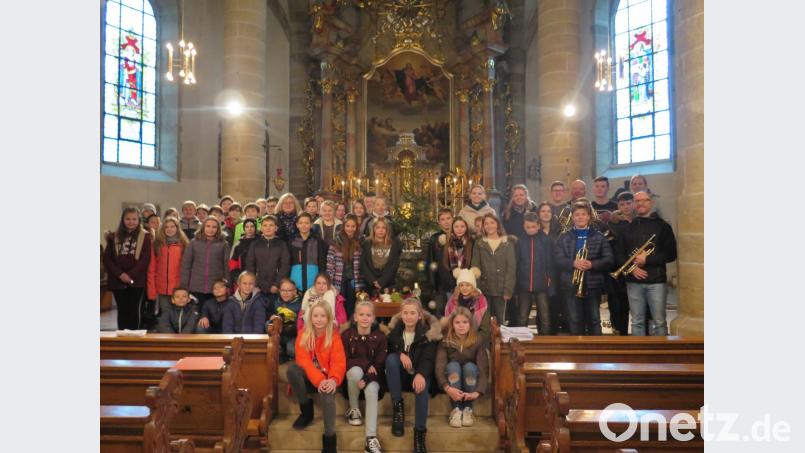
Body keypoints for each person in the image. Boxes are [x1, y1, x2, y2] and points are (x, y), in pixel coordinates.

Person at [286, 300, 346, 453]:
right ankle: (306, 410)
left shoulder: (334, 336)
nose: (319, 319)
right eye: (315, 316)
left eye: (323, 316)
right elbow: (304, 362)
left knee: (328, 395)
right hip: (311, 379)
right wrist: (319, 380)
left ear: (328, 318)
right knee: (292, 370)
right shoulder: (303, 335)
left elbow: (338, 362)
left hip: (329, 379)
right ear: (310, 317)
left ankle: (329, 441)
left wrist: (332, 380)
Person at [384, 298, 442, 452]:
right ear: (401, 315)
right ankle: (398, 410)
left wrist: (421, 374)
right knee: (391, 359)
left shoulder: (427, 334)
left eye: (412, 313)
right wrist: (399, 353)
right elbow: (387, 352)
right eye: (405, 313)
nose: (409, 316)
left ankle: (419, 436)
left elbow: (429, 358)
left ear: (420, 316)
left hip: (419, 373)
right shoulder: (394, 333)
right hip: (400, 378)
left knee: (421, 388)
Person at [621, 191, 677, 336]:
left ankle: (661, 356)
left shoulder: (663, 226)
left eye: (644, 200)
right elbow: (620, 253)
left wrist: (647, 260)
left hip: (656, 281)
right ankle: (638, 356)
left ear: (651, 203)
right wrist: (631, 269)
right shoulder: (627, 227)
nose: (640, 203)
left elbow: (671, 254)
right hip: (634, 280)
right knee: (636, 321)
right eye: (637, 201)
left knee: (659, 322)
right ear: (633, 204)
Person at [554, 201, 614, 335]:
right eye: (577, 215)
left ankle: (596, 352)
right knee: (574, 319)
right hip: (570, 284)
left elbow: (609, 259)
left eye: (583, 214)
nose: (580, 217)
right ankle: (577, 352)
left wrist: (593, 264)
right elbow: (557, 258)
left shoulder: (599, 236)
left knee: (594, 319)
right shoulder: (564, 237)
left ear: (588, 217)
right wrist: (573, 263)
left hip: (593, 284)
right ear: (573, 217)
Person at [341, 301, 388, 453]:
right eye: (361, 314)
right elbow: (345, 361)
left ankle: (371, 438)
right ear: (355, 317)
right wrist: (366, 365)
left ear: (374, 318)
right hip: (352, 379)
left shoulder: (380, 337)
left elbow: (379, 365)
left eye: (368, 315)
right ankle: (354, 409)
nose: (365, 318)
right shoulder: (347, 335)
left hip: (373, 378)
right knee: (355, 371)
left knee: (371, 390)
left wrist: (367, 378)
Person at [435, 307, 489, 429]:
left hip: (470, 375)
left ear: (470, 323)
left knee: (469, 367)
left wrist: (477, 391)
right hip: (452, 375)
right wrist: (446, 387)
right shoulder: (445, 339)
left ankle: (468, 409)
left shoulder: (478, 339)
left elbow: (483, 367)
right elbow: (439, 365)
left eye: (465, 322)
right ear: (452, 324)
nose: (461, 326)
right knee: (453, 366)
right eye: (457, 322)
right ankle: (456, 409)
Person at [103, 206, 152, 330]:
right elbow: (107, 259)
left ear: (139, 220)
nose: (131, 222)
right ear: (123, 220)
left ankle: (134, 339)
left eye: (134, 219)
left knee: (134, 310)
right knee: (122, 310)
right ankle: (122, 339)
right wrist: (120, 275)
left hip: (136, 281)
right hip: (117, 280)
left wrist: (130, 276)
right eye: (128, 219)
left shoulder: (145, 237)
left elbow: (145, 259)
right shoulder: (113, 236)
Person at [470, 214, 516, 327]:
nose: (489, 226)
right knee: (483, 321)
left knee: (501, 321)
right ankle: (486, 344)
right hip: (484, 289)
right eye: (486, 223)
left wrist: (508, 290)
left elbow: (511, 268)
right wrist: (476, 289)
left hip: (501, 290)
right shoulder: (480, 244)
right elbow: (475, 267)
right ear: (483, 227)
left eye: (492, 222)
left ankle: (499, 345)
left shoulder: (507, 243)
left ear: (497, 224)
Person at [515, 212, 555, 333]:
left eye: (533, 227)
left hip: (542, 284)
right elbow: (517, 262)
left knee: (545, 316)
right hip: (524, 285)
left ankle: (544, 343)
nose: (531, 229)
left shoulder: (546, 240)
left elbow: (550, 263)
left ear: (538, 226)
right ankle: (521, 341)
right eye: (528, 227)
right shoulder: (520, 241)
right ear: (523, 226)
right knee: (522, 316)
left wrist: (549, 281)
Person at [180, 217, 230, 304]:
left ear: (218, 229)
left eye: (214, 227)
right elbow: (186, 265)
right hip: (196, 287)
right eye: (208, 226)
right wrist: (184, 285)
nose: (210, 229)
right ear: (203, 227)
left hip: (216, 288)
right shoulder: (194, 243)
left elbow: (226, 265)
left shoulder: (223, 244)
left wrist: (228, 285)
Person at [147, 216, 189, 321]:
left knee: (179, 316)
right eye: (166, 227)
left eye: (172, 226)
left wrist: (184, 286)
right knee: (165, 315)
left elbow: (187, 268)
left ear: (177, 228)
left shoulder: (184, 245)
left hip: (178, 288)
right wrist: (152, 289)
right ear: (163, 229)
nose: (169, 229)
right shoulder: (157, 245)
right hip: (162, 289)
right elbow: (152, 268)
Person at [606, 191, 635, 335]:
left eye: (629, 203)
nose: (626, 207)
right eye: (622, 204)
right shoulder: (612, 224)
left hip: (637, 269)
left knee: (634, 306)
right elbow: (611, 248)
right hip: (617, 271)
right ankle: (618, 332)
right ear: (618, 206)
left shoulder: (640, 221)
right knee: (617, 305)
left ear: (634, 204)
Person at [245, 215, 290, 304]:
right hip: (258, 288)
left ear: (276, 228)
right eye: (265, 225)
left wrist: (277, 284)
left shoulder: (282, 244)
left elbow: (285, 265)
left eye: (271, 225)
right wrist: (255, 285)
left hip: (275, 287)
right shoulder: (255, 244)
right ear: (261, 228)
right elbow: (250, 265)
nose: (268, 228)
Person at [326, 214, 364, 318]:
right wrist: (330, 282)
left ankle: (350, 328)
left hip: (354, 280)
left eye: (353, 226)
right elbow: (330, 264)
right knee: (339, 306)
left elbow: (362, 264)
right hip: (339, 280)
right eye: (348, 226)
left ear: (356, 227)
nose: (350, 229)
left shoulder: (360, 242)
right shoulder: (336, 242)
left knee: (351, 307)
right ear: (344, 226)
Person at [434, 217, 474, 314]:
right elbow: (442, 267)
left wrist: (463, 284)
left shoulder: (471, 243)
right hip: (450, 285)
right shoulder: (445, 243)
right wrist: (453, 285)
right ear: (452, 228)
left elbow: (472, 265)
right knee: (452, 313)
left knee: (465, 313)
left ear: (466, 228)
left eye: (462, 226)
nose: (459, 229)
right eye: (456, 226)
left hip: (466, 286)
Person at [360, 218, 402, 297]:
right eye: (378, 227)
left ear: (387, 230)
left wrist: (382, 281)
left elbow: (394, 264)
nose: (381, 230)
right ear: (374, 229)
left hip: (388, 282)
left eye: (383, 228)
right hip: (370, 283)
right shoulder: (367, 243)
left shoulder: (394, 244)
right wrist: (373, 280)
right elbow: (363, 264)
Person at [444, 268, 490, 339]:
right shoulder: (453, 300)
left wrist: (473, 340)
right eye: (461, 285)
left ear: (472, 286)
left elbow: (484, 330)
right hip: (456, 338)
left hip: (475, 339)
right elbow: (448, 324)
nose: (464, 288)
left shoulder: (481, 302)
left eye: (467, 285)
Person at [289, 213, 329, 293]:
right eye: (301, 223)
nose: (304, 225)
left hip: (313, 281)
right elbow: (288, 262)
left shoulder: (318, 242)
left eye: (307, 223)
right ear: (297, 225)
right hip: (296, 281)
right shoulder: (291, 242)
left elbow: (322, 262)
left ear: (311, 224)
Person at [426, 209, 454, 310]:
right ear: (439, 222)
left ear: (453, 219)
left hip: (455, 281)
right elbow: (430, 262)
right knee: (441, 311)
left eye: (448, 218)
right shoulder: (434, 239)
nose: (446, 221)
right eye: (442, 219)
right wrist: (432, 283)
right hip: (440, 282)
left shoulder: (457, 237)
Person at [272, 278, 302, 361]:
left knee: (291, 349)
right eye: (283, 290)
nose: (285, 293)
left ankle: (287, 354)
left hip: (293, 335)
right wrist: (271, 320)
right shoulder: (275, 303)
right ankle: (281, 352)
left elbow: (301, 325)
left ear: (295, 292)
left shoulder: (300, 304)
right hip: (279, 335)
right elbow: (270, 319)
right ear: (279, 291)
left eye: (289, 290)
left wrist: (290, 327)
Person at [228, 218, 258, 291]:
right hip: (242, 280)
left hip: (258, 280)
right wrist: (238, 278)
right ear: (244, 229)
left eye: (252, 226)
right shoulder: (238, 244)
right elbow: (232, 264)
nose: (249, 229)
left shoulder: (260, 242)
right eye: (247, 227)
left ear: (255, 228)